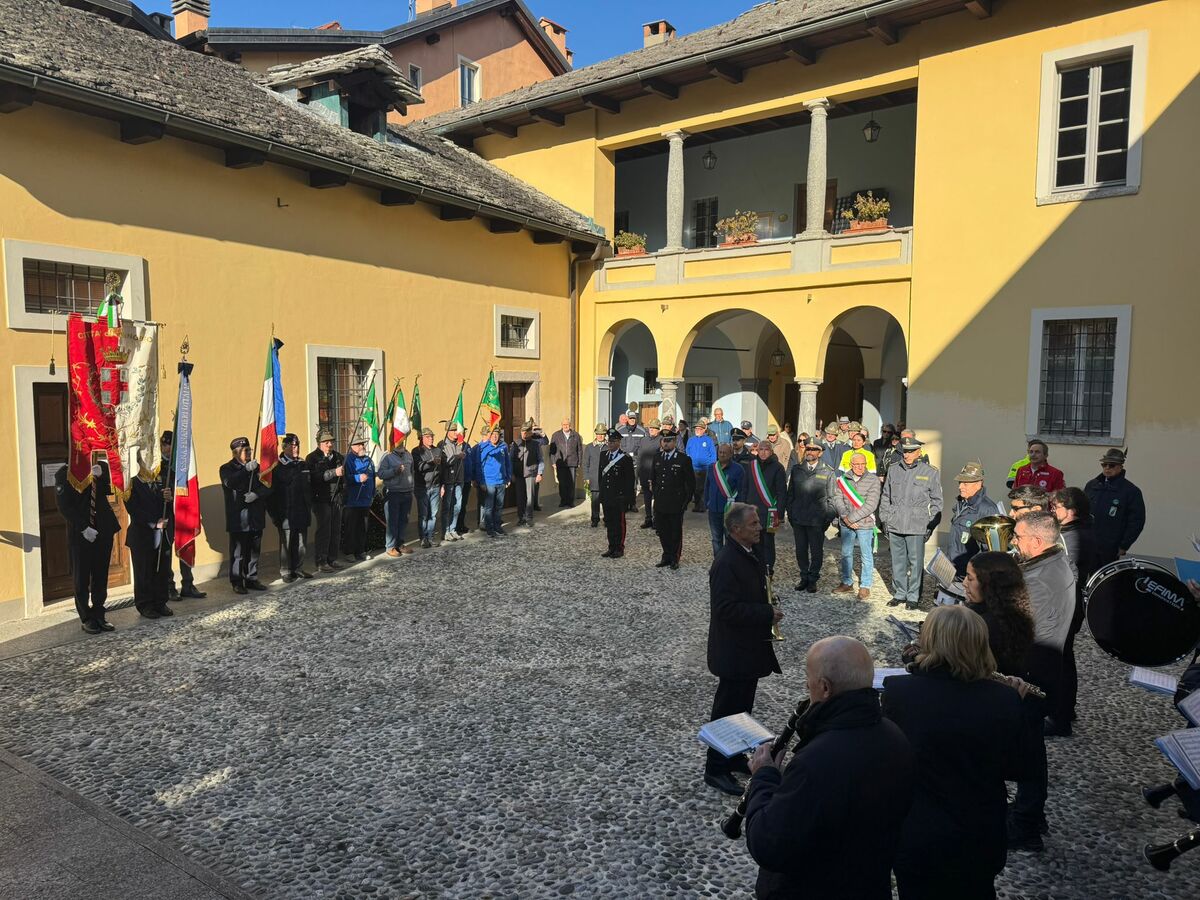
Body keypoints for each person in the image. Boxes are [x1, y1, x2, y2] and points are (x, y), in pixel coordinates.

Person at [882, 606, 1035, 900]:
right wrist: (1017, 707)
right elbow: (1022, 768)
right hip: (979, 831)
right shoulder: (1004, 699)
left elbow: (891, 760)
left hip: (919, 831)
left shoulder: (900, 691)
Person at [743, 635, 913, 898]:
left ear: (824, 688)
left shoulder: (817, 761)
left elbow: (769, 844)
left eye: (808, 677)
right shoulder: (895, 737)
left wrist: (764, 777)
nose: (805, 684)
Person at [704, 502, 782, 796]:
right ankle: (714, 769)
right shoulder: (726, 562)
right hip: (733, 651)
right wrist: (764, 614)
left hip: (747, 649)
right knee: (726, 712)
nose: (759, 527)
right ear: (736, 530)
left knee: (742, 710)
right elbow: (725, 609)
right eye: (753, 524)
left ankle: (734, 755)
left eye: (757, 522)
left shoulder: (748, 553)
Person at [1009, 510, 1075, 851]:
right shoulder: (1053, 562)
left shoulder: (1039, 580)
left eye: (1018, 537)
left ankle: (1026, 825)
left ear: (1037, 541)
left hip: (1033, 676)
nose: (1013, 542)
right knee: (1030, 750)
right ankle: (1028, 814)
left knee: (1029, 755)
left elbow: (1016, 628)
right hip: (1044, 669)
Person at [1050, 487, 1097, 734]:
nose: (1052, 511)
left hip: (1066, 604)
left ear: (1072, 512)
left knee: (1060, 662)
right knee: (1065, 659)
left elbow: (1065, 571)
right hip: (1069, 603)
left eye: (1056, 508)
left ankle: (1061, 719)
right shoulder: (1073, 531)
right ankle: (1067, 709)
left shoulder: (1074, 537)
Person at [56, 460, 122, 633]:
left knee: (101, 575)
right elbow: (64, 506)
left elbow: (113, 489)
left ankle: (99, 614)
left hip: (103, 529)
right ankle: (86, 617)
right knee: (82, 578)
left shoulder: (99, 467)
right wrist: (83, 527)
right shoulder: (64, 474)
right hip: (82, 533)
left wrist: (102, 476)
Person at [880, 436, 943, 610]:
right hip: (896, 522)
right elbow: (886, 496)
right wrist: (885, 518)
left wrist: (930, 524)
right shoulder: (893, 470)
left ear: (919, 452)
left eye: (910, 451)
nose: (906, 455)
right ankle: (900, 593)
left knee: (915, 563)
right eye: (904, 451)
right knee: (897, 561)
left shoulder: (930, 472)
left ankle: (913, 596)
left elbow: (937, 502)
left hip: (917, 525)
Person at [963, 551, 1036, 679]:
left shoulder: (984, 625)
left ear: (988, 582)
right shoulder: (1016, 611)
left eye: (970, 578)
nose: (964, 583)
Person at [219, 437, 270, 594]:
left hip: (255, 516)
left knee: (254, 551)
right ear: (236, 453)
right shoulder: (226, 468)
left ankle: (251, 578)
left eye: (249, 450)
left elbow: (268, 486)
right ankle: (237, 581)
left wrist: (256, 494)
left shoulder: (256, 467)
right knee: (238, 553)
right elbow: (230, 482)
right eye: (245, 451)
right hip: (239, 518)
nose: (248, 453)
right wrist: (245, 470)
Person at [158, 430, 205, 600]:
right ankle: (169, 586)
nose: (169, 449)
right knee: (167, 551)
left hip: (182, 510)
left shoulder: (182, 465)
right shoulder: (157, 466)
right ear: (162, 445)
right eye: (167, 445)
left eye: (172, 446)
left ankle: (188, 584)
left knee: (186, 545)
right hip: (167, 512)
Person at [785, 438, 835, 593]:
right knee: (800, 550)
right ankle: (804, 577)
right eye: (808, 449)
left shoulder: (828, 471)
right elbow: (790, 494)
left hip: (817, 519)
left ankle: (813, 578)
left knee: (816, 551)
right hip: (799, 517)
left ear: (820, 453)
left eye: (814, 449)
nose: (810, 452)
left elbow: (832, 498)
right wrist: (791, 514)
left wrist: (827, 519)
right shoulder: (797, 469)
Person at [126, 462, 175, 619]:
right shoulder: (132, 483)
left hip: (163, 533)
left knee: (162, 570)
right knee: (144, 572)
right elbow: (133, 509)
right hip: (142, 534)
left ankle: (161, 602)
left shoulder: (161, 480)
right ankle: (145, 605)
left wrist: (169, 498)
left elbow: (168, 506)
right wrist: (155, 523)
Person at [830, 452, 880, 600]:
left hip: (865, 523)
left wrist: (851, 518)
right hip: (846, 523)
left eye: (862, 464)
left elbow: (871, 504)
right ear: (851, 465)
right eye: (856, 464)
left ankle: (865, 585)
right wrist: (846, 518)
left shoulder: (873, 480)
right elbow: (837, 498)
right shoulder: (843, 479)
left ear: (866, 464)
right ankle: (847, 582)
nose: (860, 467)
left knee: (866, 555)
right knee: (846, 553)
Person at [1084, 448, 1146, 566]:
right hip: (1088, 542)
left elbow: (1136, 522)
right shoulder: (1092, 485)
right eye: (1104, 464)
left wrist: (1124, 545)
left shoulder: (1131, 491)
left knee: (1105, 579)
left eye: (1111, 465)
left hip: (1109, 546)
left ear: (1120, 467)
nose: (1107, 468)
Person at [737, 439, 788, 579]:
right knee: (752, 541)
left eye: (766, 449)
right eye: (761, 449)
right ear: (757, 451)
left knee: (768, 543)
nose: (763, 452)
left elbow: (782, 492)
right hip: (752, 513)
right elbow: (744, 488)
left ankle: (768, 570)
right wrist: (742, 508)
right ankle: (755, 568)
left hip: (770, 513)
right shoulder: (751, 466)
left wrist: (780, 513)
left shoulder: (778, 468)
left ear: (771, 451)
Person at [269, 433, 313, 582]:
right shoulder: (278, 465)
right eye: (292, 446)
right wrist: (275, 515)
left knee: (301, 543)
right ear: (285, 447)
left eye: (297, 445)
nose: (296, 448)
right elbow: (273, 492)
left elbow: (308, 487)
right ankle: (286, 571)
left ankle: (298, 568)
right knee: (286, 543)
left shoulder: (302, 463)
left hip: (302, 509)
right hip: (286, 511)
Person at [651, 425, 695, 570]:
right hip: (661, 502)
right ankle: (666, 555)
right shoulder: (657, 458)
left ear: (675, 442)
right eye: (664, 440)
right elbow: (654, 479)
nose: (666, 443)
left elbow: (690, 483)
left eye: (669, 440)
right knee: (662, 531)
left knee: (675, 532)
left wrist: (685, 502)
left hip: (676, 503)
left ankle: (675, 557)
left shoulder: (683, 459)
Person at [949, 460, 1002, 577]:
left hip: (970, 575)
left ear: (978, 484)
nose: (960, 486)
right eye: (960, 482)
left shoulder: (987, 509)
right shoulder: (963, 503)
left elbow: (990, 550)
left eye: (965, 483)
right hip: (955, 569)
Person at [306, 429, 345, 573]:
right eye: (326, 442)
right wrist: (334, 472)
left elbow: (343, 478)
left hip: (336, 498)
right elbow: (316, 477)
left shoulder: (338, 457)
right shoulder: (312, 458)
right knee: (324, 530)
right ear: (319, 443)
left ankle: (332, 558)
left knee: (335, 530)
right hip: (321, 499)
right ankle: (321, 561)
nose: (329, 444)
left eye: (331, 442)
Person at [598, 428, 635, 559]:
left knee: (619, 524)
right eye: (609, 441)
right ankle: (611, 546)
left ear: (619, 442)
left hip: (619, 497)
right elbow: (600, 477)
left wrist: (629, 499)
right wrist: (600, 495)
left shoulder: (625, 459)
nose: (610, 444)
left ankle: (619, 547)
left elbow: (630, 480)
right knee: (609, 522)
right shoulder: (603, 455)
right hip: (607, 496)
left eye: (613, 441)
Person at [704, 443, 744, 558]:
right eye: (720, 452)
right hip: (714, 509)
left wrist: (739, 509)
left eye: (725, 452)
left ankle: (730, 562)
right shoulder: (712, 468)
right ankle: (718, 562)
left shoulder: (738, 469)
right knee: (716, 539)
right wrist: (707, 502)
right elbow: (707, 486)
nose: (722, 455)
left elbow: (741, 491)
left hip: (730, 511)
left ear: (731, 454)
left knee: (730, 539)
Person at [377, 438, 414, 557]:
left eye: (402, 440)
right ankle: (390, 546)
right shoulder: (387, 457)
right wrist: (394, 471)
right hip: (393, 492)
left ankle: (400, 544)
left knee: (404, 520)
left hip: (407, 492)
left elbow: (412, 472)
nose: (401, 442)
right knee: (393, 521)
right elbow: (381, 474)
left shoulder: (408, 455)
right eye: (398, 440)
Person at [342, 435, 376, 561]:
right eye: (358, 444)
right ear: (352, 447)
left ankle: (360, 550)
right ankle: (349, 552)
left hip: (366, 500)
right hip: (352, 500)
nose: (362, 446)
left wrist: (372, 494)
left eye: (362, 444)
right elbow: (345, 478)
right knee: (351, 528)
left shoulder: (368, 460)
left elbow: (372, 477)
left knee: (363, 527)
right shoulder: (348, 460)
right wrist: (357, 478)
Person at [412, 427, 446, 547]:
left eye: (432, 436)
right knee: (424, 514)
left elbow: (442, 470)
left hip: (436, 486)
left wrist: (442, 485)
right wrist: (432, 462)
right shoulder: (417, 451)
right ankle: (423, 538)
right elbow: (419, 467)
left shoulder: (438, 450)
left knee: (433, 514)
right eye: (428, 437)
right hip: (422, 487)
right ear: (422, 439)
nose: (431, 438)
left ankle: (431, 536)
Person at [476, 425, 511, 538]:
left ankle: (497, 526)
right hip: (489, 481)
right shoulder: (484, 448)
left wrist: (508, 477)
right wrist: (481, 482)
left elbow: (507, 463)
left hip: (501, 481)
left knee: (499, 506)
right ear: (489, 436)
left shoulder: (503, 447)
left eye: (497, 435)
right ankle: (489, 528)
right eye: (493, 434)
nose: (495, 437)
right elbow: (479, 466)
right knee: (489, 506)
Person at [509, 419, 543, 529]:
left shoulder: (535, 444)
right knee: (520, 498)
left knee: (530, 498)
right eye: (522, 432)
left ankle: (529, 518)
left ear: (529, 432)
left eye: (526, 432)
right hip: (519, 475)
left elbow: (540, 460)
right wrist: (511, 474)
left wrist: (540, 474)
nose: (523, 434)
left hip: (531, 474)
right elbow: (511, 460)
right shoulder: (515, 444)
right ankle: (521, 518)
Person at [439, 424, 467, 541]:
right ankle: (445, 531)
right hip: (448, 480)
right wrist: (457, 457)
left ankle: (453, 529)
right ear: (448, 431)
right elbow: (445, 462)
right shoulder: (442, 445)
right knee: (447, 507)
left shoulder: (460, 444)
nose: (456, 432)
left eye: (457, 430)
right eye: (454, 430)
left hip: (459, 479)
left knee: (457, 506)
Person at [549, 417, 583, 508]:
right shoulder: (556, 435)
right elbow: (552, 450)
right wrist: (553, 462)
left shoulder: (576, 435)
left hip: (572, 462)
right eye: (564, 424)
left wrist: (579, 461)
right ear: (561, 425)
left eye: (567, 424)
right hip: (560, 463)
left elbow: (579, 449)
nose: (566, 426)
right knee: (562, 483)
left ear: (570, 425)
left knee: (571, 483)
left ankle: (570, 501)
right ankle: (563, 500)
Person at [618, 410, 646, 512]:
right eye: (630, 418)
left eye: (634, 418)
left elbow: (644, 447)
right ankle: (625, 505)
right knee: (623, 484)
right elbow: (617, 446)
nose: (632, 420)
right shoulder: (620, 431)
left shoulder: (641, 431)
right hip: (623, 462)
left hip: (635, 462)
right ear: (627, 419)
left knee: (633, 484)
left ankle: (633, 504)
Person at [687, 418, 716, 513]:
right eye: (696, 429)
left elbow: (713, 454)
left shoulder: (708, 440)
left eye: (700, 429)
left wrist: (712, 465)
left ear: (704, 430)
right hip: (693, 468)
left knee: (703, 487)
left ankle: (703, 505)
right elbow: (687, 452)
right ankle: (697, 505)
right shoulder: (691, 440)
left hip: (705, 468)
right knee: (695, 487)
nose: (697, 430)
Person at [636, 418, 661, 529]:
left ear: (658, 430)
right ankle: (648, 518)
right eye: (650, 427)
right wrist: (638, 471)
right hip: (645, 473)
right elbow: (640, 456)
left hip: (656, 474)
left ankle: (656, 520)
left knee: (657, 499)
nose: (651, 429)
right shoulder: (644, 440)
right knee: (646, 497)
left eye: (654, 428)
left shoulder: (661, 440)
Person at [583, 423, 607, 528]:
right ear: (595, 434)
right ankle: (595, 519)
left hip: (607, 478)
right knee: (595, 501)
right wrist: (586, 477)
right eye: (598, 434)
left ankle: (607, 519)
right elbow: (585, 463)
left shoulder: (609, 446)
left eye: (602, 434)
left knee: (607, 501)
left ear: (605, 434)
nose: (600, 436)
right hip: (594, 477)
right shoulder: (589, 447)